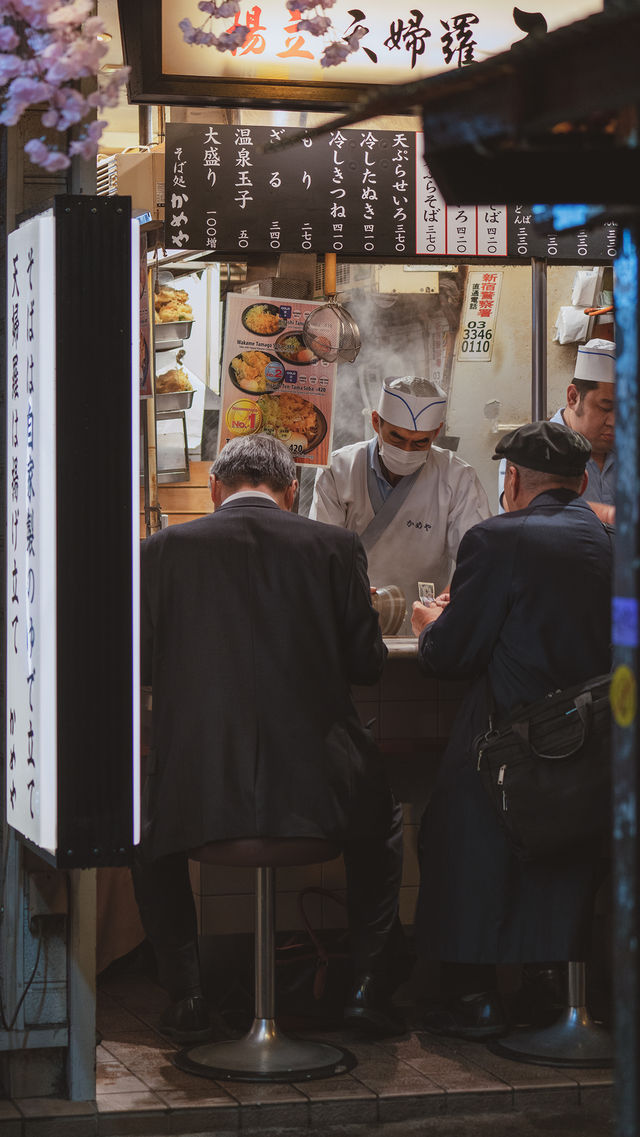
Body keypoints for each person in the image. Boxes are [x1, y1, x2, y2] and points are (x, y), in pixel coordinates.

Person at [134, 434, 405, 1043]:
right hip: (319, 793)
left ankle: (187, 996)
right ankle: (366, 990)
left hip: (197, 792)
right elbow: (367, 664)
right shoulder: (336, 545)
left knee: (146, 833)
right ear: (291, 493)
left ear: (213, 490)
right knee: (383, 823)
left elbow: (141, 670)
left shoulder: (160, 551)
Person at [410, 421, 613, 1040]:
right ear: (581, 483)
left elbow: (452, 656)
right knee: (569, 852)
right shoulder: (612, 538)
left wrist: (427, 624)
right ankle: (548, 986)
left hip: (517, 741)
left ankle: (473, 994)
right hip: (603, 744)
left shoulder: (499, 539)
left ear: (513, 479)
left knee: (456, 827)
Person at [309, 375, 491, 626]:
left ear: (436, 432)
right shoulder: (339, 470)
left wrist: (447, 604)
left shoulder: (457, 477)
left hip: (425, 625)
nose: (407, 450)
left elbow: (478, 559)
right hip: (350, 617)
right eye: (396, 438)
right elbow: (321, 554)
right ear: (376, 422)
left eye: (420, 442)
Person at [498, 338, 616, 523]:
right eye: (605, 407)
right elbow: (522, 510)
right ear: (573, 397)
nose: (615, 421)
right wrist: (611, 516)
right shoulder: (531, 448)